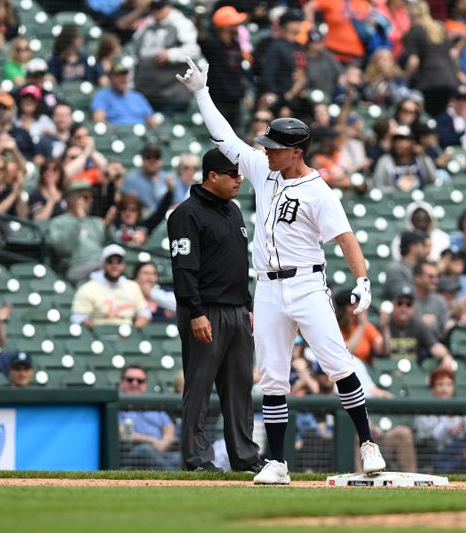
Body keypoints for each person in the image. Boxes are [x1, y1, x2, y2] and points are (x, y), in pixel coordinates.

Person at [177, 57, 385, 485]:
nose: (266, 151)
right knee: (273, 376)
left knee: (337, 364)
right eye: (267, 146)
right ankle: (276, 462)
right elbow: (224, 137)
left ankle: (368, 444)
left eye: (274, 147)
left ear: (295, 152)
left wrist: (362, 280)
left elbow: (345, 238)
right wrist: (201, 94)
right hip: (267, 289)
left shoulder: (319, 191)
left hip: (308, 282)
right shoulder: (262, 172)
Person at [167, 147, 262, 473]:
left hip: (236, 311)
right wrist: (194, 311)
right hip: (205, 310)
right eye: (232, 175)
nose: (239, 180)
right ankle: (196, 460)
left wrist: (248, 306)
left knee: (239, 389)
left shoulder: (233, 211)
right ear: (212, 176)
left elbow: (239, 265)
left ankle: (245, 458)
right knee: (200, 388)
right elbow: (183, 269)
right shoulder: (186, 214)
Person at [70, 244, 151, 329]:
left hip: (128, 334)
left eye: (119, 261)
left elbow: (144, 312)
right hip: (99, 333)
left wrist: (137, 326)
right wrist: (91, 326)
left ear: (124, 264)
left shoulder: (132, 287)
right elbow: (77, 317)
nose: (114, 265)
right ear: (103, 264)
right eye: (110, 261)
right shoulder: (88, 288)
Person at [118, 365, 180, 470]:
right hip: (131, 453)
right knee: (145, 450)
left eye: (140, 381)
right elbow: (122, 432)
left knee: (178, 457)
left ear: (145, 385)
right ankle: (173, 480)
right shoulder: (117, 406)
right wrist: (153, 441)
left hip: (159, 452)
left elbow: (169, 428)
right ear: (121, 383)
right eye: (130, 380)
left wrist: (164, 442)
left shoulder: (153, 406)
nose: (135, 383)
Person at [378, 285, 454, 367]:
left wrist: (446, 356)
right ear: (393, 305)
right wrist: (385, 328)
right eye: (400, 303)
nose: (404, 308)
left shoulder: (418, 325)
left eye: (408, 304)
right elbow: (383, 351)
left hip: (412, 373)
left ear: (413, 307)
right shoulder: (383, 325)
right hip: (388, 369)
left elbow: (434, 346)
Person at [91, 62, 154, 126]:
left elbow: (151, 120)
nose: (123, 79)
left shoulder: (138, 97)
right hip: (117, 133)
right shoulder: (102, 96)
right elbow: (99, 120)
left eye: (125, 75)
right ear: (111, 78)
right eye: (118, 76)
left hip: (141, 132)